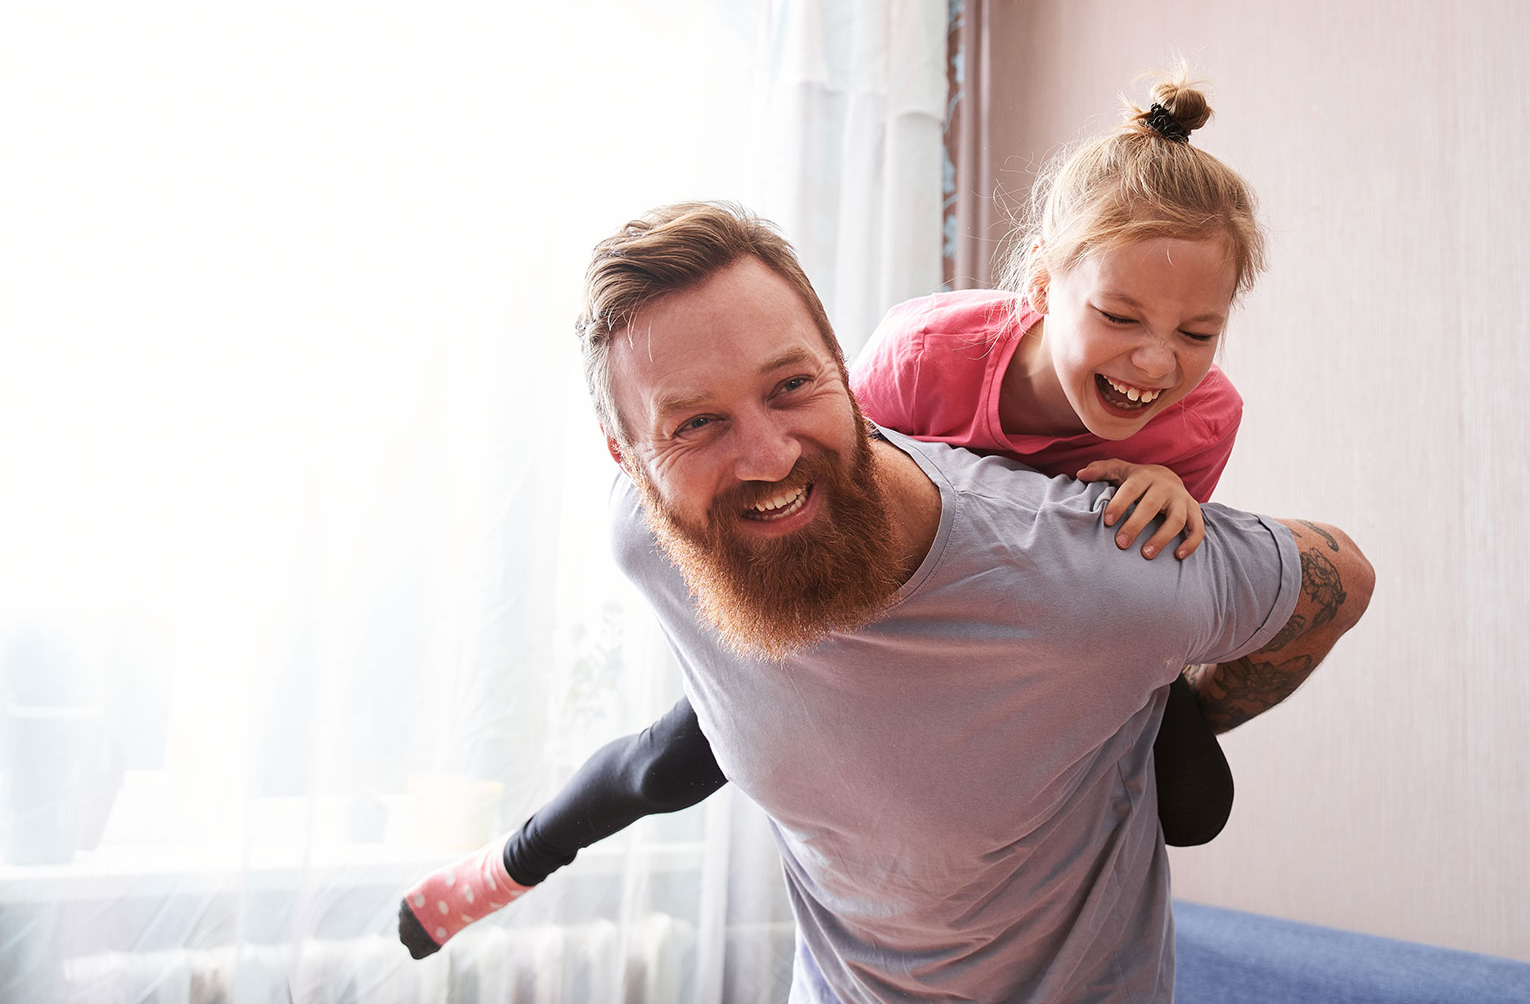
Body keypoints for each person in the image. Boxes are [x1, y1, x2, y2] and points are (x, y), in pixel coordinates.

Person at [399, 127, 1372, 1000]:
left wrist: (1164, 577)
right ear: (1041, 286)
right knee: (667, 758)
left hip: (1074, 646)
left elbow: (1300, 572)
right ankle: (507, 864)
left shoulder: (1158, 483)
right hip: (826, 599)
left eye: (1196, 333)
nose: (1155, 363)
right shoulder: (918, 355)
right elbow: (837, 470)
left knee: (1197, 806)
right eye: (696, 423)